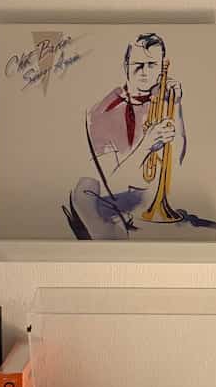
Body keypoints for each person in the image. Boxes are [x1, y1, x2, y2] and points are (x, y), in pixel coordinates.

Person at [64, 32, 185, 239]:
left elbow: (179, 161)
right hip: (117, 198)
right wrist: (147, 144)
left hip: (149, 197)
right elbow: (110, 179)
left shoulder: (165, 99)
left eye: (152, 65)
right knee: (85, 189)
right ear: (126, 66)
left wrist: (177, 105)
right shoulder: (104, 110)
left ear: (162, 67)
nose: (145, 72)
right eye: (138, 65)